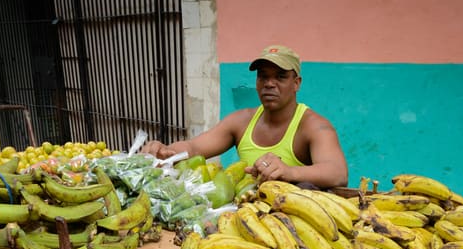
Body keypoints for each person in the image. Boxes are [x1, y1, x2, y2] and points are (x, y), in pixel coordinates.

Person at [142, 45, 348, 189]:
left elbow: (337, 173)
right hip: (246, 217)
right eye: (263, 76)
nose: (269, 83)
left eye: (280, 77)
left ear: (297, 83)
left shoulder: (313, 126)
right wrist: (166, 151)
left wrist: (289, 172)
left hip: (293, 226)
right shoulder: (242, 121)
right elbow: (194, 148)